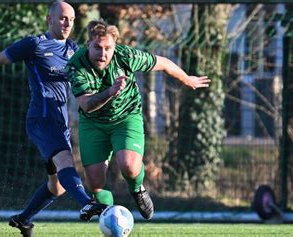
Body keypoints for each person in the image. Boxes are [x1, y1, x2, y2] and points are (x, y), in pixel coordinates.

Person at [0, 2, 106, 237]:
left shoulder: (74, 49)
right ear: (49, 20)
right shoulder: (35, 44)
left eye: (71, 18)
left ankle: (23, 219)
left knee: (57, 186)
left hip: (60, 123)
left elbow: (97, 67)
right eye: (62, 18)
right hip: (41, 118)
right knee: (65, 162)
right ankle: (86, 203)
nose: (68, 23)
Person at [67, 20, 211, 220]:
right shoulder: (76, 65)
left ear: (115, 46)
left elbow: (164, 63)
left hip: (126, 117)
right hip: (93, 123)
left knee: (129, 165)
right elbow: (87, 104)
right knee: (95, 183)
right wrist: (111, 92)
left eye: (108, 48)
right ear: (88, 44)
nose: (103, 54)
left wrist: (187, 79)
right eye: (97, 48)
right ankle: (110, 219)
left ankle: (137, 189)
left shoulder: (126, 56)